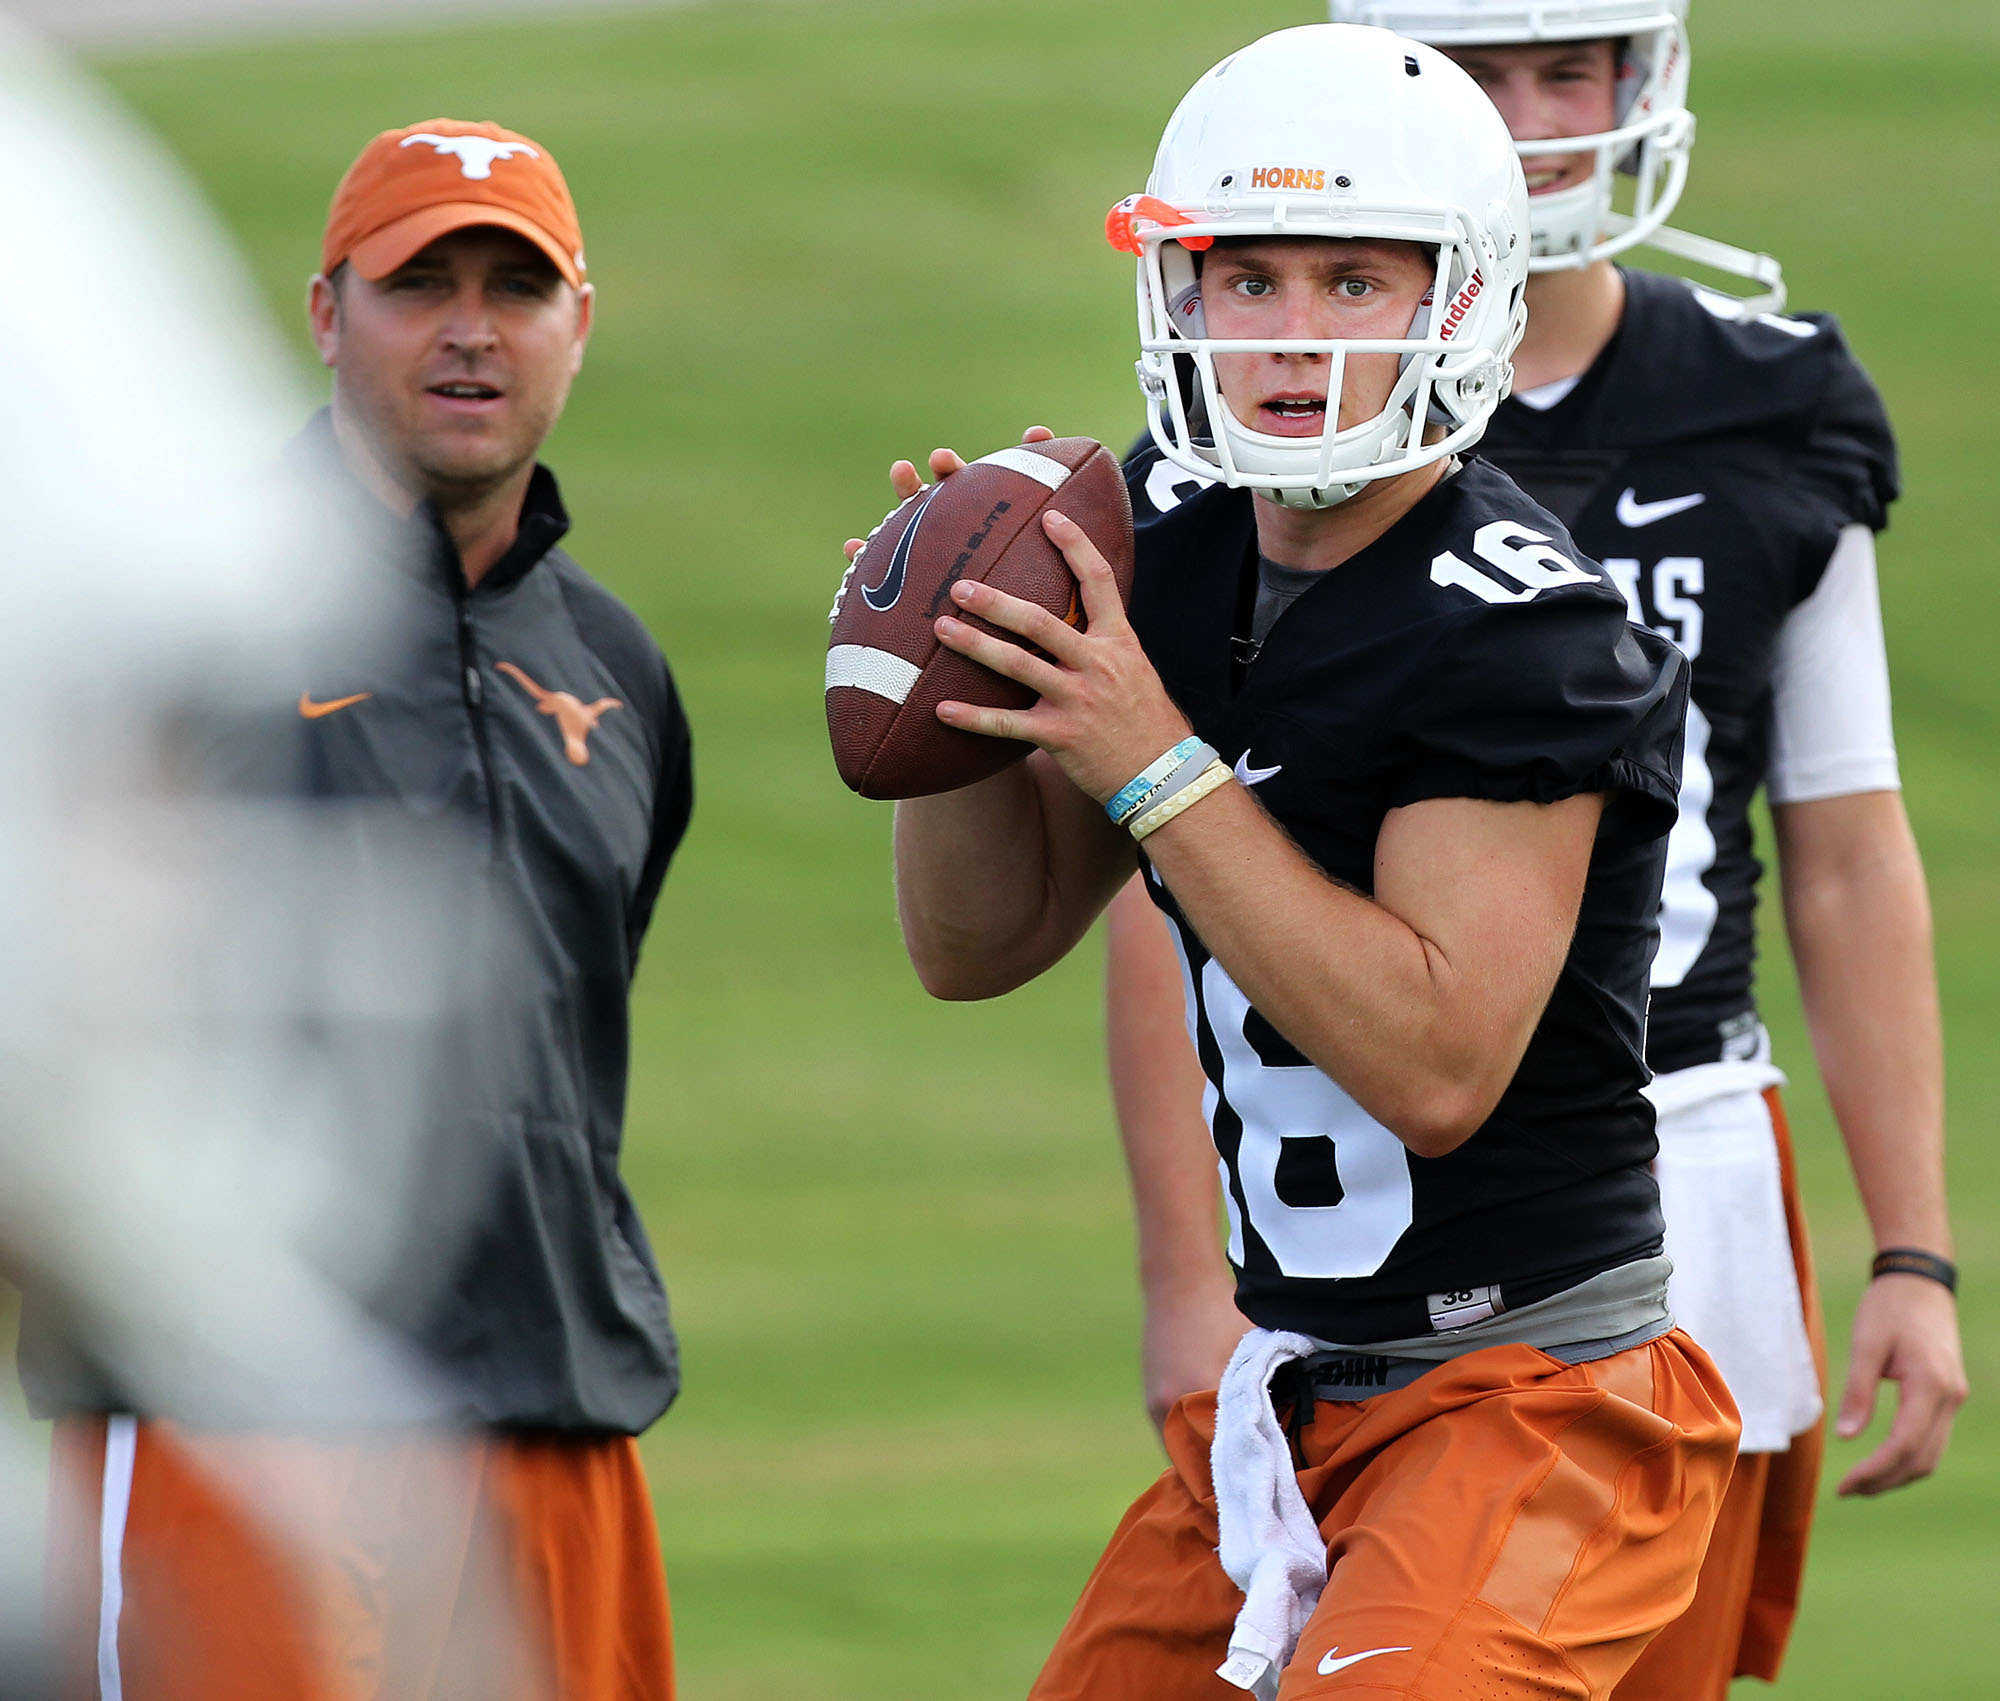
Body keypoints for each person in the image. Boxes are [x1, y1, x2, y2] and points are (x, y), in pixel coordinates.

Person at [866, 25, 1737, 1697]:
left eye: (1354, 280)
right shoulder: (1170, 560)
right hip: (1294, 1398)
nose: (1292, 336)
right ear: (1176, 296)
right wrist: (952, 699)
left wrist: (1155, 760)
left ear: (1465, 296)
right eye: (1246, 277)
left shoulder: (1522, 628)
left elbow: (1434, 1060)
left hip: (1534, 1396)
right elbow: (977, 946)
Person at [1107, 3, 1968, 1693]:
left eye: (1559, 67)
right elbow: (1171, 898)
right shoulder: (1231, 478)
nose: (1511, 117)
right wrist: (1174, 1274)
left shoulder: (1759, 402)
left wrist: (1916, 1245)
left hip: (1671, 1143)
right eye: (1466, 73)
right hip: (1335, 1206)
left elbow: (1852, 845)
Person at [24, 118, 691, 1701]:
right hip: (225, 1414)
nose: (472, 328)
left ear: (577, 325)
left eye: (515, 289)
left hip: (554, 1422)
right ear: (326, 314)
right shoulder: (193, 616)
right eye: (420, 285)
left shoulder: (618, 665)